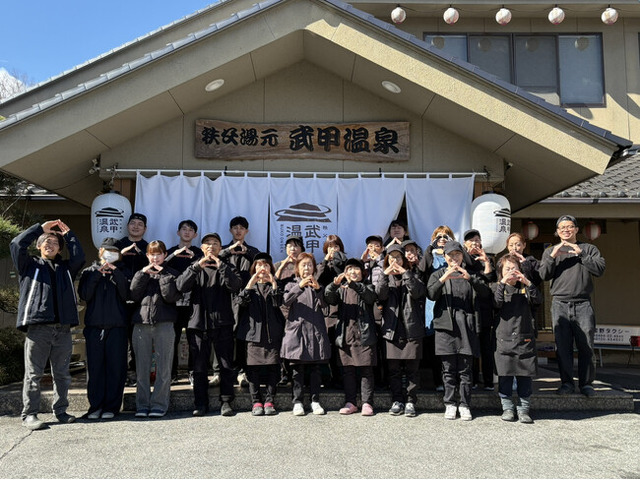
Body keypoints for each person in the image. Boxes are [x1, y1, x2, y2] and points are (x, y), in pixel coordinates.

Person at [10, 219, 85, 430]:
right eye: (46, 241)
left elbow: (79, 257)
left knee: (62, 374)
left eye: (55, 243)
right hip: (38, 327)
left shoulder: (66, 268)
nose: (50, 245)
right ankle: (29, 414)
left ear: (60, 248)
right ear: (38, 245)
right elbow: (16, 244)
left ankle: (60, 410)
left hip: (62, 328)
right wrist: (39, 229)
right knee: (34, 374)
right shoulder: (29, 265)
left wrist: (69, 235)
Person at [538, 215, 606, 397]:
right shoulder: (550, 251)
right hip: (559, 304)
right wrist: (552, 256)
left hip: (583, 303)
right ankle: (567, 383)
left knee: (586, 345)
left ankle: (586, 384)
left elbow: (599, 269)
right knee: (563, 347)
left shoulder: (589, 249)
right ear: (557, 232)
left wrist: (581, 254)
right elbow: (543, 275)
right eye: (562, 228)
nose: (566, 230)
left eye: (569, 227)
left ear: (576, 229)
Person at [176, 233, 242, 416]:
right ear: (202, 248)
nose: (211, 247)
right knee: (199, 367)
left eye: (215, 244)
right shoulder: (195, 266)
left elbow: (235, 286)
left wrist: (222, 266)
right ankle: (200, 403)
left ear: (220, 248)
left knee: (226, 365)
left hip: (223, 322)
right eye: (207, 244)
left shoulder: (227, 266)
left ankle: (226, 401)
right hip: (198, 324)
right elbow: (180, 286)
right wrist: (197, 267)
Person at [427, 240, 491, 421]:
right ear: (445, 257)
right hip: (445, 326)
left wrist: (470, 278)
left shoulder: (470, 274)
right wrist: (444, 277)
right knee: (448, 369)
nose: (454, 258)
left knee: (465, 369)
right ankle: (449, 403)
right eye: (450, 255)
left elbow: (485, 293)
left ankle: (464, 404)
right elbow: (431, 294)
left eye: (457, 254)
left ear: (463, 256)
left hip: (466, 325)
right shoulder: (438, 274)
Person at [78, 238, 129, 420]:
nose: (110, 254)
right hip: (94, 327)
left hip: (118, 327)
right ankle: (95, 406)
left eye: (114, 251)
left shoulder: (123, 271)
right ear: (100, 252)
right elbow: (84, 295)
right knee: (95, 368)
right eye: (107, 251)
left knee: (116, 368)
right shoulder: (89, 271)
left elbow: (127, 294)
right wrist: (98, 274)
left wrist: (116, 273)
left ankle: (112, 407)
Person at [129, 240, 181, 418]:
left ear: (165, 255)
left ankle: (159, 404)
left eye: (159, 254)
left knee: (164, 367)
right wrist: (143, 274)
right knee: (141, 368)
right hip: (141, 323)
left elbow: (171, 296)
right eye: (152, 254)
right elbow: (133, 294)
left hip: (165, 323)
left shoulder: (172, 274)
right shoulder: (140, 272)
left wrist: (163, 275)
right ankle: (142, 405)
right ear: (147, 255)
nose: (155, 257)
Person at [376, 244, 426, 417]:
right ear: (387, 260)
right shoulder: (385, 277)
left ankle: (411, 401)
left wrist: (405, 273)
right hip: (392, 330)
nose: (395, 261)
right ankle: (397, 400)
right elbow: (380, 295)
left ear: (404, 259)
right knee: (394, 370)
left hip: (412, 328)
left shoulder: (414, 274)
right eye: (392, 257)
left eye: (398, 257)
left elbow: (418, 292)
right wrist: (385, 275)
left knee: (413, 370)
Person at [325, 258, 377, 416]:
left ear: (362, 272)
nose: (353, 272)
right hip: (346, 334)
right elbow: (329, 297)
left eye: (356, 269)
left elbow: (370, 297)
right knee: (348, 371)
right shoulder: (341, 289)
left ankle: (367, 403)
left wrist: (353, 284)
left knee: (366, 370)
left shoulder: (368, 286)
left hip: (364, 334)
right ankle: (351, 402)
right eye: (349, 269)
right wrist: (334, 285)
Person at [493, 254, 542, 424]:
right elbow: (496, 303)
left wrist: (527, 282)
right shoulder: (496, 287)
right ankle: (507, 408)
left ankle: (523, 410)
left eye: (514, 268)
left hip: (524, 337)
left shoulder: (526, 288)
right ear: (501, 271)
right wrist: (502, 283)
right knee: (505, 375)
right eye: (507, 269)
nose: (511, 272)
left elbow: (538, 300)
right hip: (503, 338)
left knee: (524, 375)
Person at [281, 253, 331, 416]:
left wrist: (318, 290)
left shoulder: (319, 286)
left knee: (316, 368)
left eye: (310, 265)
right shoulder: (290, 284)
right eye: (303, 265)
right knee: (297, 369)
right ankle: (297, 402)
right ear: (297, 268)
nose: (307, 268)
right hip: (298, 332)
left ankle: (315, 401)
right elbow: (286, 301)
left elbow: (326, 307)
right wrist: (300, 286)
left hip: (315, 331)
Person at [235, 253, 285, 416]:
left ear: (271, 268)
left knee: (273, 368)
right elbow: (240, 302)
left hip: (272, 334)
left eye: (266, 265)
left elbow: (279, 303)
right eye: (259, 265)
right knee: (252, 369)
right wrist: (251, 283)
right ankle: (256, 401)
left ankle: (269, 401)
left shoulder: (276, 286)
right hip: (252, 334)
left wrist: (274, 283)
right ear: (254, 268)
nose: (262, 268)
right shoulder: (249, 287)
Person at [219, 216, 260, 388]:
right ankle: (221, 371)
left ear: (246, 231)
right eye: (235, 228)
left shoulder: (253, 251)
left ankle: (242, 371)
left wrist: (247, 252)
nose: (238, 231)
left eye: (241, 228)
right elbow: (216, 260)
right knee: (223, 335)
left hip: (246, 299)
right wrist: (229, 251)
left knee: (243, 335)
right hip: (225, 298)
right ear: (230, 230)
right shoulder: (224, 250)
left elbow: (261, 264)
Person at [165, 220, 203, 384]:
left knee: (193, 339)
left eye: (191, 230)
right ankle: (171, 373)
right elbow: (161, 266)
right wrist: (175, 254)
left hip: (193, 302)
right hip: (172, 302)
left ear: (195, 235)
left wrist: (195, 257)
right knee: (171, 338)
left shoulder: (198, 253)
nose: (187, 232)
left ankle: (192, 372)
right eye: (184, 229)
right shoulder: (170, 252)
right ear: (178, 232)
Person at [419, 226, 455, 392]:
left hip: (451, 300)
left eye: (446, 236)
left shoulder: (455, 256)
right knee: (434, 342)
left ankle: (453, 381)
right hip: (432, 302)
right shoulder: (429, 256)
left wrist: (451, 246)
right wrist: (430, 248)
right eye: (438, 236)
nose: (442, 239)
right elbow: (422, 270)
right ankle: (437, 381)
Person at [115, 212, 149, 387]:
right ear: (127, 226)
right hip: (119, 298)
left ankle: (135, 372)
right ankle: (120, 372)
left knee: (138, 337)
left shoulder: (148, 247)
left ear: (145, 229)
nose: (136, 226)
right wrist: (121, 254)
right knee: (120, 337)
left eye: (140, 224)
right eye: (133, 223)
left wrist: (142, 255)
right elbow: (109, 263)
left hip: (141, 300)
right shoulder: (118, 245)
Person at [463, 228, 496, 391]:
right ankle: (474, 379)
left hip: (484, 308)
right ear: (465, 244)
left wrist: (487, 262)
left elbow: (491, 279)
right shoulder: (462, 259)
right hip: (469, 307)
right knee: (472, 346)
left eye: (477, 240)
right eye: (471, 240)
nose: (474, 243)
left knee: (486, 347)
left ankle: (489, 381)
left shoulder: (486, 259)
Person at [317, 234, 348, 389]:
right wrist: (325, 261)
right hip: (326, 311)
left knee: (340, 346)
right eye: (330, 247)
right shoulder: (321, 264)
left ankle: (340, 378)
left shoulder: (346, 264)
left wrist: (338, 262)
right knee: (326, 345)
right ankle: (327, 377)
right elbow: (316, 279)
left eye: (336, 246)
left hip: (342, 309)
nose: (333, 250)